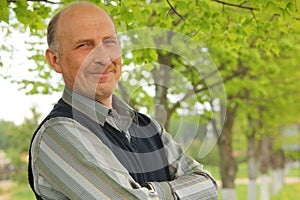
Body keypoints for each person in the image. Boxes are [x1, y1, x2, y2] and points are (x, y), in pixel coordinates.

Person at [28, 2, 218, 200]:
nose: (102, 57)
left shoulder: (148, 126)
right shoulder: (58, 133)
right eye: (84, 45)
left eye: (109, 42)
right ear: (55, 60)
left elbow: (208, 184)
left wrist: (150, 193)